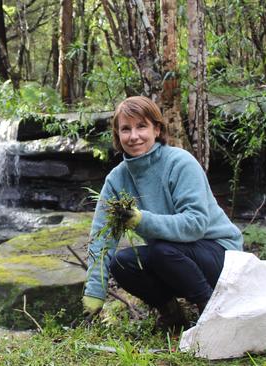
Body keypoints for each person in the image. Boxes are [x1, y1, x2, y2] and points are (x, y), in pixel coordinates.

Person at [82, 96, 243, 332]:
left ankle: (211, 310)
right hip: (173, 258)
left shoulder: (180, 163)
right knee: (122, 263)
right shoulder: (117, 180)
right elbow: (101, 239)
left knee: (161, 251)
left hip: (221, 255)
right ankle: (172, 314)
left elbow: (196, 223)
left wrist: (141, 219)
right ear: (117, 135)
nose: (133, 136)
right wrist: (94, 291)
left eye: (141, 126)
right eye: (126, 129)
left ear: (156, 129)